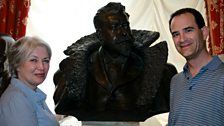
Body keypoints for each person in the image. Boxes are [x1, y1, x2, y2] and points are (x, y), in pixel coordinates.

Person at [53, 2, 177, 122]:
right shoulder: (67, 76)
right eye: (115, 27)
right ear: (100, 35)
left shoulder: (163, 74)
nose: (124, 33)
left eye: (125, 26)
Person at [168, 8, 224, 126]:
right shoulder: (175, 81)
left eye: (188, 30)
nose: (182, 39)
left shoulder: (222, 78)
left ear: (204, 32)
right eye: (176, 34)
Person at [0, 36, 60, 126]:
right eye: (33, 60)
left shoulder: (32, 93)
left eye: (45, 61)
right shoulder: (16, 100)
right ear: (17, 65)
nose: (41, 67)